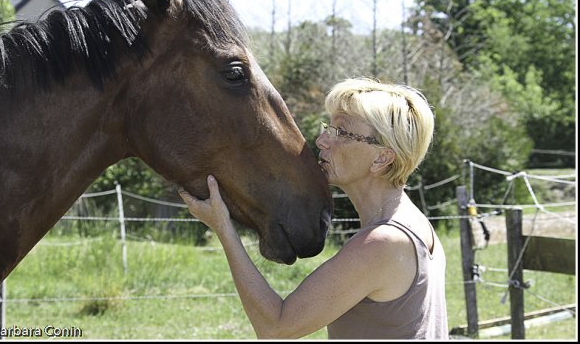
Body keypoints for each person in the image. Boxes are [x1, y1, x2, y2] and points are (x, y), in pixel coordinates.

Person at [178, 77, 448, 339]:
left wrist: (223, 228)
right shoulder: (418, 226)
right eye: (328, 128)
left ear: (382, 158)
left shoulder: (382, 243)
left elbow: (276, 329)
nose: (321, 141)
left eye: (341, 132)